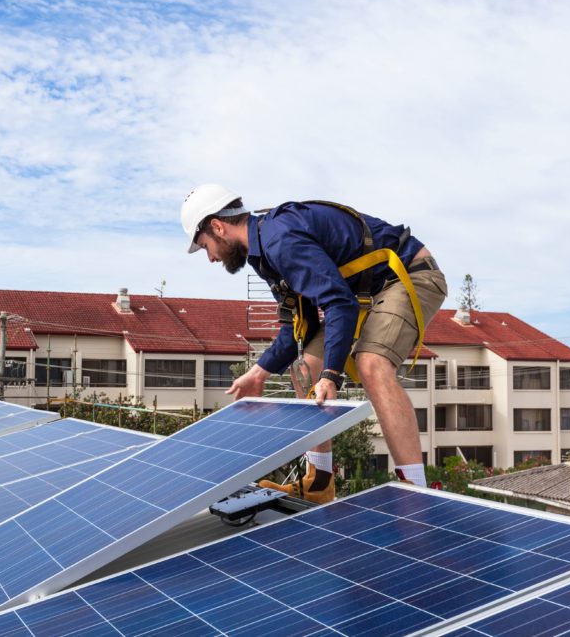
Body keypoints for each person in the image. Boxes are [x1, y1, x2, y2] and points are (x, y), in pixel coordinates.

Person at [180, 184, 447, 502]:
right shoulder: (263, 253)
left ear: (218, 227)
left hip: (408, 275)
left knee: (371, 363)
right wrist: (259, 373)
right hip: (362, 292)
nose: (210, 258)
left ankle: (415, 492)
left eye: (205, 246)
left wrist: (331, 375)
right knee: (306, 367)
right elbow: (298, 326)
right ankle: (319, 483)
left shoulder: (280, 239)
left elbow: (339, 304)